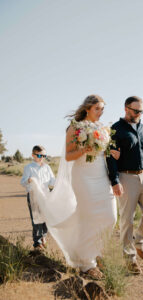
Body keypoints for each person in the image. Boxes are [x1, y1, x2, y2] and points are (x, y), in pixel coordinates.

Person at [29, 95, 118, 280]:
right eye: (97, 109)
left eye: (103, 109)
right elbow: (69, 156)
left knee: (110, 217)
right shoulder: (74, 128)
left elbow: (103, 152)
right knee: (88, 217)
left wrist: (111, 152)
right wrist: (84, 150)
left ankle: (94, 251)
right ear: (87, 109)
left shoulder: (103, 128)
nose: (101, 113)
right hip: (83, 176)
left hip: (101, 175)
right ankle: (87, 264)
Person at [106, 96, 143, 274]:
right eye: (135, 111)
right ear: (126, 109)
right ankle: (129, 258)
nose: (138, 114)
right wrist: (114, 181)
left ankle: (139, 242)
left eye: (141, 111)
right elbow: (110, 157)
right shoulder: (116, 129)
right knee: (127, 220)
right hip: (126, 177)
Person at [21, 145, 55, 250]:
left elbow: (52, 181)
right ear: (33, 155)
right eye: (39, 155)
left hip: (45, 195)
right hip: (33, 196)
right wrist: (29, 180)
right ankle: (37, 243)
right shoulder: (29, 167)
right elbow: (23, 182)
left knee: (45, 218)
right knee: (36, 219)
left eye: (44, 155)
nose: (42, 157)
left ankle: (43, 237)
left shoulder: (47, 167)